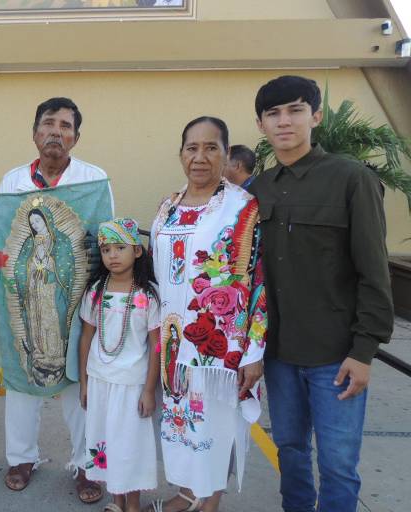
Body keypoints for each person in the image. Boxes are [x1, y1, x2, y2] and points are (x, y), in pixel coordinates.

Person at [250, 75, 394, 512]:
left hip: (336, 355)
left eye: (294, 110)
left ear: (315, 116)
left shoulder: (351, 180)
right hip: (278, 354)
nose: (284, 122)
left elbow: (374, 272)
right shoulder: (256, 191)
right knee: (290, 452)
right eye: (273, 114)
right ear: (261, 126)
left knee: (337, 464)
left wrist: (364, 350)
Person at [0, 97, 111, 504]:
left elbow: (104, 239)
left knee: (80, 387)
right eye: (48, 123)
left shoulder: (92, 180)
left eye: (65, 126)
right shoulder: (13, 182)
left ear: (76, 137)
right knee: (23, 379)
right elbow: (4, 242)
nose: (56, 132)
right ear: (35, 133)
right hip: (31, 297)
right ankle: (21, 458)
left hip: (78, 300)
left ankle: (86, 464)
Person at [149, 116, 266, 512]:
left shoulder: (242, 207)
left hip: (220, 351)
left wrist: (253, 350)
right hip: (174, 343)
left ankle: (208, 503)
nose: (200, 157)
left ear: (226, 153)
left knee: (213, 431)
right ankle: (187, 494)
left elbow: (258, 282)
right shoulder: (168, 206)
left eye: (211, 147)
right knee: (180, 427)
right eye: (192, 148)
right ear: (181, 153)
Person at [78, 218, 160, 512]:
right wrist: (85, 383)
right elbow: (86, 338)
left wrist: (149, 390)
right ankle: (116, 500)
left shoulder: (147, 295)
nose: (112, 255)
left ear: (137, 251)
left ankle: (133, 504)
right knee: (105, 439)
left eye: (120, 248)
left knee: (130, 444)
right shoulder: (96, 291)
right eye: (106, 249)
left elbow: (156, 345)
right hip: (100, 379)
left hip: (132, 383)